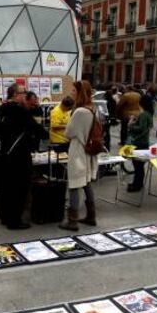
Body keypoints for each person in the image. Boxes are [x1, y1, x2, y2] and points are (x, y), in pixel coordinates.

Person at [0, 83, 46, 230]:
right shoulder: (18, 111)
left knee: (6, 187)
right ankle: (14, 220)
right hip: (19, 155)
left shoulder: (3, 108)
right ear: (14, 95)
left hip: (6, 153)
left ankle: (5, 216)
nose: (25, 95)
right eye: (23, 92)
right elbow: (36, 128)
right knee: (19, 187)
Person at [59, 80, 98, 231]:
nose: (71, 93)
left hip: (78, 150)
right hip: (88, 151)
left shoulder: (80, 111)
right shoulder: (93, 108)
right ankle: (91, 216)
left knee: (74, 184)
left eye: (74, 91)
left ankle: (72, 220)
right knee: (86, 182)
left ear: (81, 93)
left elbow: (68, 133)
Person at [126, 95, 154, 192]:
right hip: (144, 142)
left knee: (137, 166)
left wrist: (131, 125)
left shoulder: (143, 115)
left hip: (138, 141)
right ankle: (138, 183)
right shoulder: (149, 114)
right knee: (140, 166)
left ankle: (136, 185)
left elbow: (141, 128)